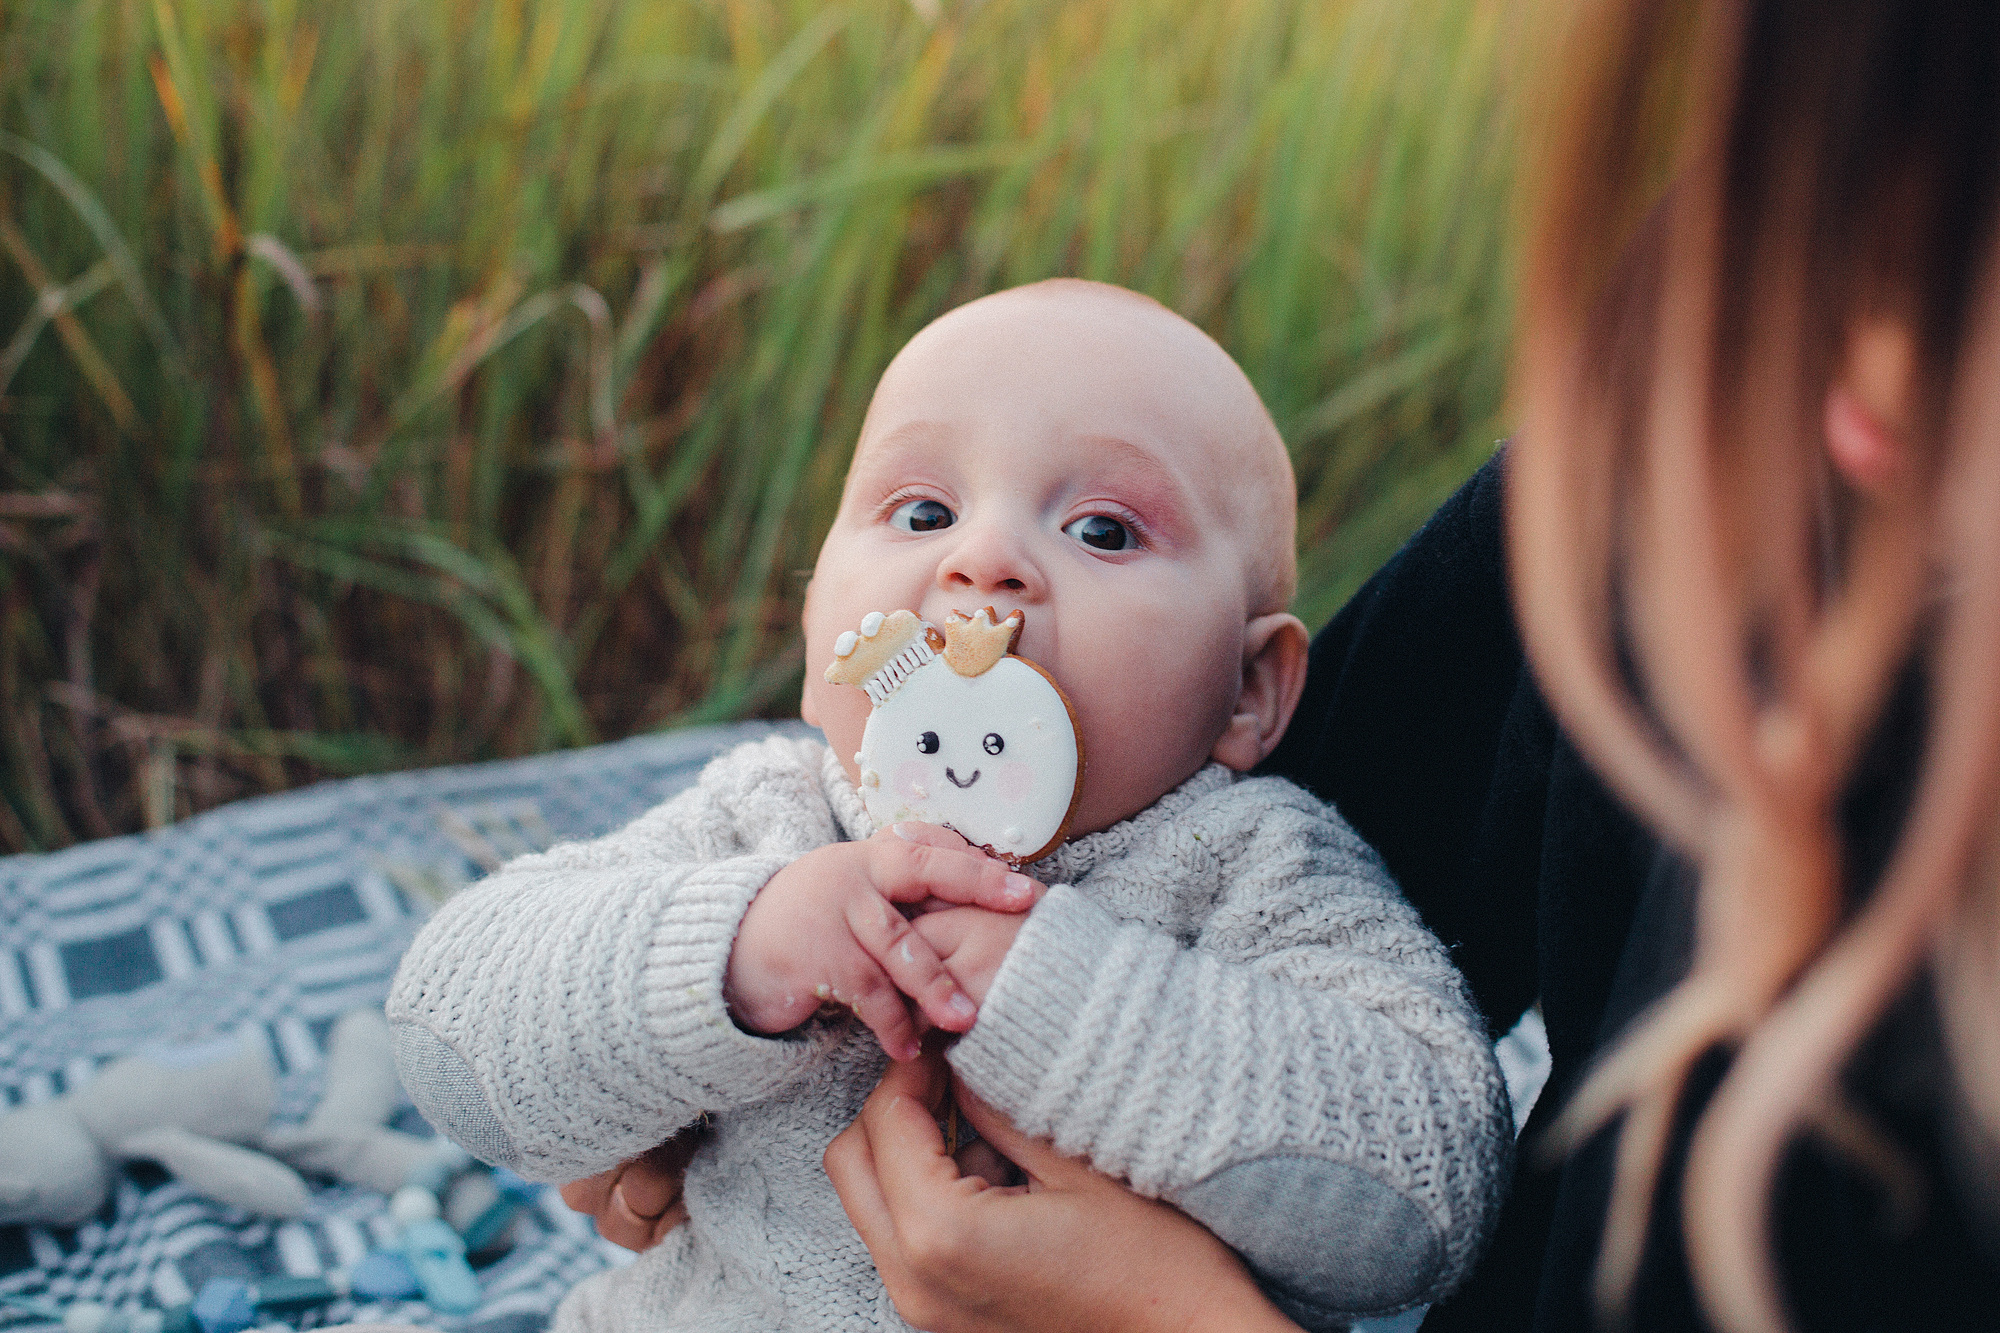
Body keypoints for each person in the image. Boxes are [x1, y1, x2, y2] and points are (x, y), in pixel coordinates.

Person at [808, 3, 2000, 1331]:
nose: (984, 568)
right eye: (1809, 157)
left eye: (1102, 530)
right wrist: (718, 1010)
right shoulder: (1734, 362)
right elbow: (1232, 856)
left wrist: (1170, 1315)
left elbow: (1406, 1136)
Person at [387, 279, 1512, 1332]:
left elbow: (1421, 1197)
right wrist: (735, 951)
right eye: (921, 510)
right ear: (813, 626)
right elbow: (447, 1039)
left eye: (1103, 530)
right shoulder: (769, 823)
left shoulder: (1250, 866)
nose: (983, 561)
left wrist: (1056, 996)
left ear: (1247, 691)